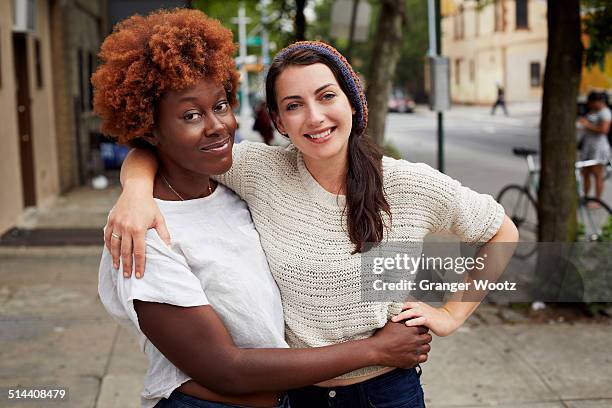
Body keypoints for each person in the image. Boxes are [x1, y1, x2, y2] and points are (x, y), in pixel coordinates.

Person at [106, 40, 518, 407]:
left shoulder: (410, 185)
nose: (315, 117)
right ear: (280, 123)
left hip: (386, 392)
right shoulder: (259, 170)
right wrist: (136, 191)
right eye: (294, 105)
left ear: (353, 102)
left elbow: (502, 232)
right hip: (297, 395)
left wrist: (450, 315)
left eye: (326, 96)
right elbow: (161, 148)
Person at [578, 91, 612, 204]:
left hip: (598, 148)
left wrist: (587, 125)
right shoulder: (593, 111)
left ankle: (597, 201)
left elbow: (604, 130)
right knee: (585, 172)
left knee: (597, 174)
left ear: (597, 102)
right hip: (588, 146)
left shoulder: (605, 113)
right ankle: (586, 197)